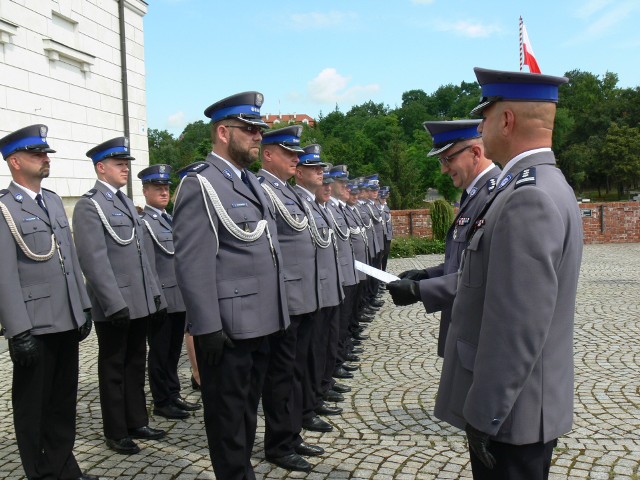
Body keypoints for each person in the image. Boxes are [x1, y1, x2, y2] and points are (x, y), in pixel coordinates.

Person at [433, 68, 583, 480]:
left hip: (513, 415)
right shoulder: (544, 184)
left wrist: (484, 413)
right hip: (523, 405)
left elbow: (517, 324)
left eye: (484, 116)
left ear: (506, 120)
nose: (479, 127)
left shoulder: (527, 196)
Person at [172, 91, 289, 480]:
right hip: (228, 327)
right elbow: (192, 263)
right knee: (227, 421)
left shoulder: (250, 184)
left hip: (261, 322)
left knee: (246, 416)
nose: (258, 136)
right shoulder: (200, 185)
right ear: (223, 132)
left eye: (259, 130)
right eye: (250, 129)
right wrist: (205, 327)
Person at [0, 125, 97, 480]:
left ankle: (62, 467)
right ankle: (40, 473)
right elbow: (3, 274)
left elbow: (68, 257)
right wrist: (18, 329)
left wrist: (82, 305)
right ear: (15, 161)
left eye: (45, 154)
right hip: (34, 324)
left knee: (61, 404)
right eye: (37, 154)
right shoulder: (5, 208)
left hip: (65, 318)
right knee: (33, 407)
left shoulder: (53, 200)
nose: (45, 158)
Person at [73, 137, 167, 455]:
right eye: (118, 164)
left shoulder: (125, 202)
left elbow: (143, 257)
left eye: (126, 163)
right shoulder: (90, 204)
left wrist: (154, 295)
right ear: (101, 167)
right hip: (114, 304)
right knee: (113, 367)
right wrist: (114, 303)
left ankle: (136, 420)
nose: (125, 168)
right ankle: (115, 431)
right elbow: (93, 261)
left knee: (135, 362)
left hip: (138, 300)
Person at [388, 120, 501, 357]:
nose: (443, 169)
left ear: (476, 153)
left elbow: (485, 277)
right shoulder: (474, 195)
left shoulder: (493, 196)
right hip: (463, 332)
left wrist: (420, 290)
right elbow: (465, 262)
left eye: (448, 159)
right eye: (441, 161)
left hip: (478, 339)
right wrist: (427, 274)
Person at [258, 125, 324, 472]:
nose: (296, 159)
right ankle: (278, 444)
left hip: (305, 296)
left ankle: (292, 433)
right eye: (289, 153)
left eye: (297, 154)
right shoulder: (262, 191)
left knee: (297, 369)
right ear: (268, 154)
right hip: (285, 298)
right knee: (281, 374)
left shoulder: (290, 192)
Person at [137, 164, 201, 419]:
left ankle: (173, 393)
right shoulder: (145, 223)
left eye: (166, 188)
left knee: (174, 351)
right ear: (145, 191)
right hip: (162, 298)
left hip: (178, 298)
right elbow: (148, 266)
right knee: (160, 352)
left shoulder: (169, 219)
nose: (164, 193)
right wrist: (156, 299)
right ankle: (162, 400)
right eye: (158, 188)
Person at [293, 144, 345, 431]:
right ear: (299, 173)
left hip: (323, 289)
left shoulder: (313, 204)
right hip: (308, 292)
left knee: (321, 347)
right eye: (315, 169)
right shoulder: (297, 202)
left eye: (322, 168)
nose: (321, 173)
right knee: (308, 355)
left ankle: (315, 398)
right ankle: (306, 407)